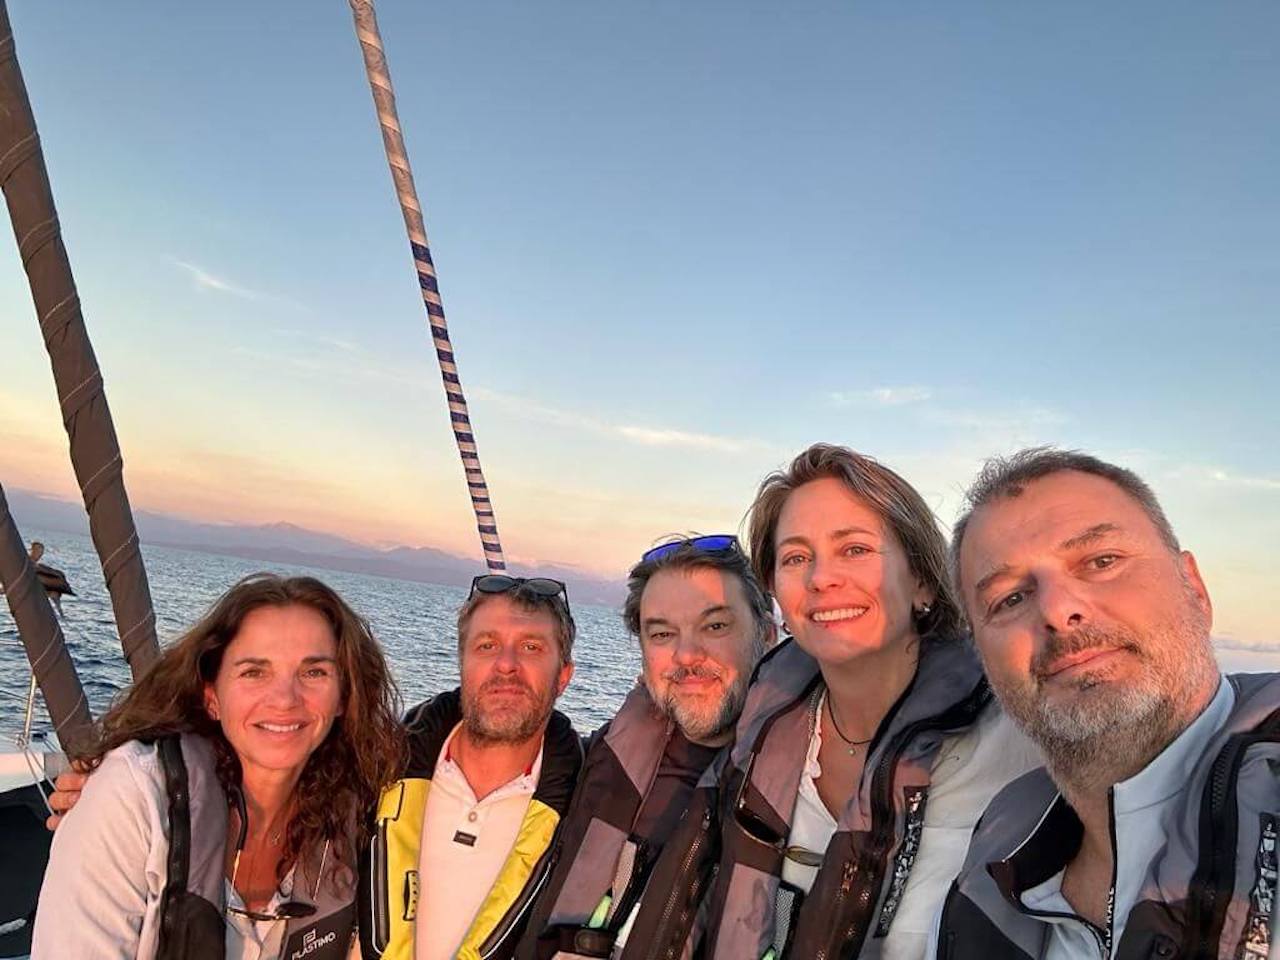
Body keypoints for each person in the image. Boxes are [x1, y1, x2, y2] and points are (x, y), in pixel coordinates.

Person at [633, 443, 1042, 960]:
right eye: (796, 557)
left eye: (854, 550)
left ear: (921, 580)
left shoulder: (1022, 741)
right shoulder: (761, 735)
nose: (821, 578)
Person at [933, 448, 1280, 959]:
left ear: (1195, 588)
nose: (1057, 609)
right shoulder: (994, 861)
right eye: (1010, 598)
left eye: (1101, 562)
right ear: (983, 657)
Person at [31, 573, 406, 960]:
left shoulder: (363, 821)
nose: (284, 699)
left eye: (314, 672)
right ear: (211, 695)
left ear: (344, 696)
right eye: (254, 672)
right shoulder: (137, 797)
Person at [517, 535, 775, 958]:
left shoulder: (815, 793)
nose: (686, 655)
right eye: (662, 633)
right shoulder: (589, 765)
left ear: (767, 635)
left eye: (715, 626)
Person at [357, 574, 584, 960]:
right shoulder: (373, 774)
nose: (506, 665)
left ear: (563, 676)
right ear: (462, 662)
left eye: (531, 647)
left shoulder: (584, 820)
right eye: (487, 645)